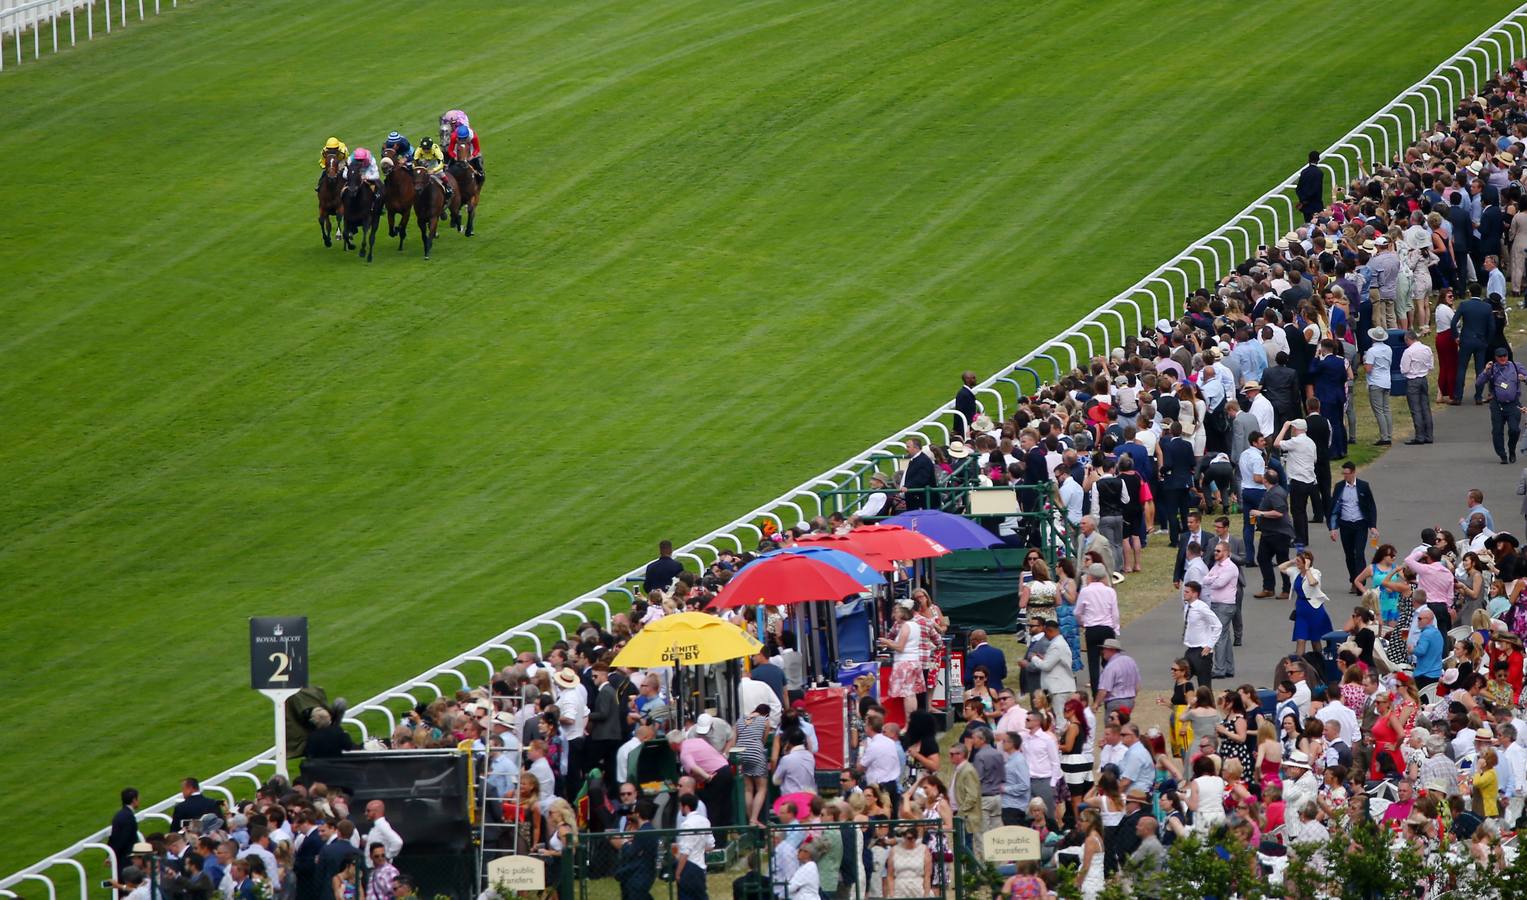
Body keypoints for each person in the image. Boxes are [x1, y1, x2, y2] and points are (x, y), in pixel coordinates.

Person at [1326, 461, 1379, 584]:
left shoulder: (1363, 486)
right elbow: (1334, 508)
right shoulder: (1339, 487)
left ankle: (1360, 581)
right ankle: (1353, 579)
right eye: (1343, 474)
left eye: (1347, 474)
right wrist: (1333, 528)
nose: (1345, 476)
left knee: (1359, 553)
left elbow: (1371, 506)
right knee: (1349, 555)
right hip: (1345, 525)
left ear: (1354, 472)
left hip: (1360, 524)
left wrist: (1372, 526)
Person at [1075, 564, 1121, 689]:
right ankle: (1110, 687)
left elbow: (1077, 612)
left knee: (1093, 662)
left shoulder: (1085, 591)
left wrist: (1083, 622)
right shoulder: (1110, 591)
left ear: (1090, 576)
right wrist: (1115, 628)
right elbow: (1115, 613)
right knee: (1109, 661)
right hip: (1107, 628)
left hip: (1092, 628)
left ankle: (1096, 693)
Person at [1478, 346, 1527, 463]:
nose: (1503, 358)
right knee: (1497, 430)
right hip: (1497, 404)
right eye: (1500, 357)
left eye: (1504, 356)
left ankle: (1512, 449)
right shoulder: (1492, 369)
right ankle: (1502, 455)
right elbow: (1479, 382)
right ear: (1496, 358)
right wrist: (1485, 371)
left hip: (1513, 404)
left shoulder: (1516, 366)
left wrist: (1524, 378)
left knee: (1514, 430)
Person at [612, 799, 659, 900]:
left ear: (638, 814)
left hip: (639, 877)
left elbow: (631, 853)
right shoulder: (649, 830)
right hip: (645, 875)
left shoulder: (642, 832)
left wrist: (624, 843)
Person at [673, 793, 714, 900]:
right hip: (701, 867)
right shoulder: (705, 821)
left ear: (686, 807)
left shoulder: (686, 825)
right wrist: (699, 847)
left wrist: (678, 872)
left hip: (688, 867)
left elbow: (685, 852)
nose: (680, 809)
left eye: (681, 806)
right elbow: (711, 845)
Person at [1181, 582, 1221, 691]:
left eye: (1187, 592)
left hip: (1202, 651)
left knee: (1204, 686)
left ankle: (1208, 706)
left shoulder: (1201, 607)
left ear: (1195, 594)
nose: (1184, 593)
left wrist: (1209, 646)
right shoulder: (1187, 606)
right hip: (1190, 649)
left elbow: (1218, 625)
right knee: (1181, 676)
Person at [1401, 330, 1436, 443]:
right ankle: (1429, 435)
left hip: (1412, 380)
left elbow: (1404, 369)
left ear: (1408, 339)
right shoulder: (1427, 349)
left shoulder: (1408, 352)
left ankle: (1419, 436)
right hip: (1423, 379)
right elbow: (1431, 366)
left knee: (1415, 409)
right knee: (1425, 407)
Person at [1363, 326, 1395, 445]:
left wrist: (1364, 360)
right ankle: (1389, 434)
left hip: (1376, 382)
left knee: (1379, 411)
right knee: (1386, 409)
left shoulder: (1372, 351)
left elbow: (1368, 369)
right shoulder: (1388, 349)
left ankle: (1384, 436)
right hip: (1386, 381)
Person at [1094, 639, 1140, 716]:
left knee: (1112, 726)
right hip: (1130, 701)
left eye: (1105, 649)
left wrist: (1096, 704)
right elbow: (1137, 685)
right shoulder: (1130, 661)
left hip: (1115, 702)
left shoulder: (1110, 666)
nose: (1102, 651)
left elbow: (1104, 690)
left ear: (1112, 650)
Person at [884, 826, 931, 898]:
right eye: (909, 838)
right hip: (899, 888)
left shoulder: (923, 849)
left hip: (918, 887)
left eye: (915, 837)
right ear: (903, 837)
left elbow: (927, 875)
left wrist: (926, 894)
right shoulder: (894, 850)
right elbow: (890, 875)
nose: (912, 840)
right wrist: (891, 894)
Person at [411, 138, 453, 203]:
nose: (426, 150)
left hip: (435, 162)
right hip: (424, 162)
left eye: (427, 148)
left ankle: (448, 188)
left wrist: (434, 170)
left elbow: (441, 164)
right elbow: (414, 162)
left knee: (441, 174)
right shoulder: (418, 150)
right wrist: (417, 168)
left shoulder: (436, 150)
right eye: (424, 148)